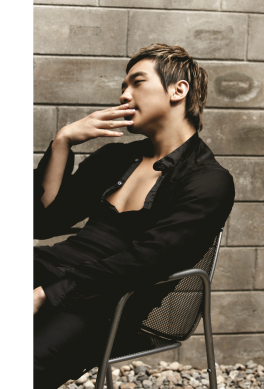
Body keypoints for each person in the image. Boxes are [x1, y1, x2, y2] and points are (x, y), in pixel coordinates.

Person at [33, 43, 236, 389]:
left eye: (137, 83)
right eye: (123, 86)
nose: (124, 95)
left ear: (178, 90)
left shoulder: (208, 181)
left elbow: (148, 261)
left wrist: (45, 295)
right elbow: (46, 221)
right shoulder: (114, 158)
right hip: (52, 268)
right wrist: (63, 141)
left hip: (110, 302)